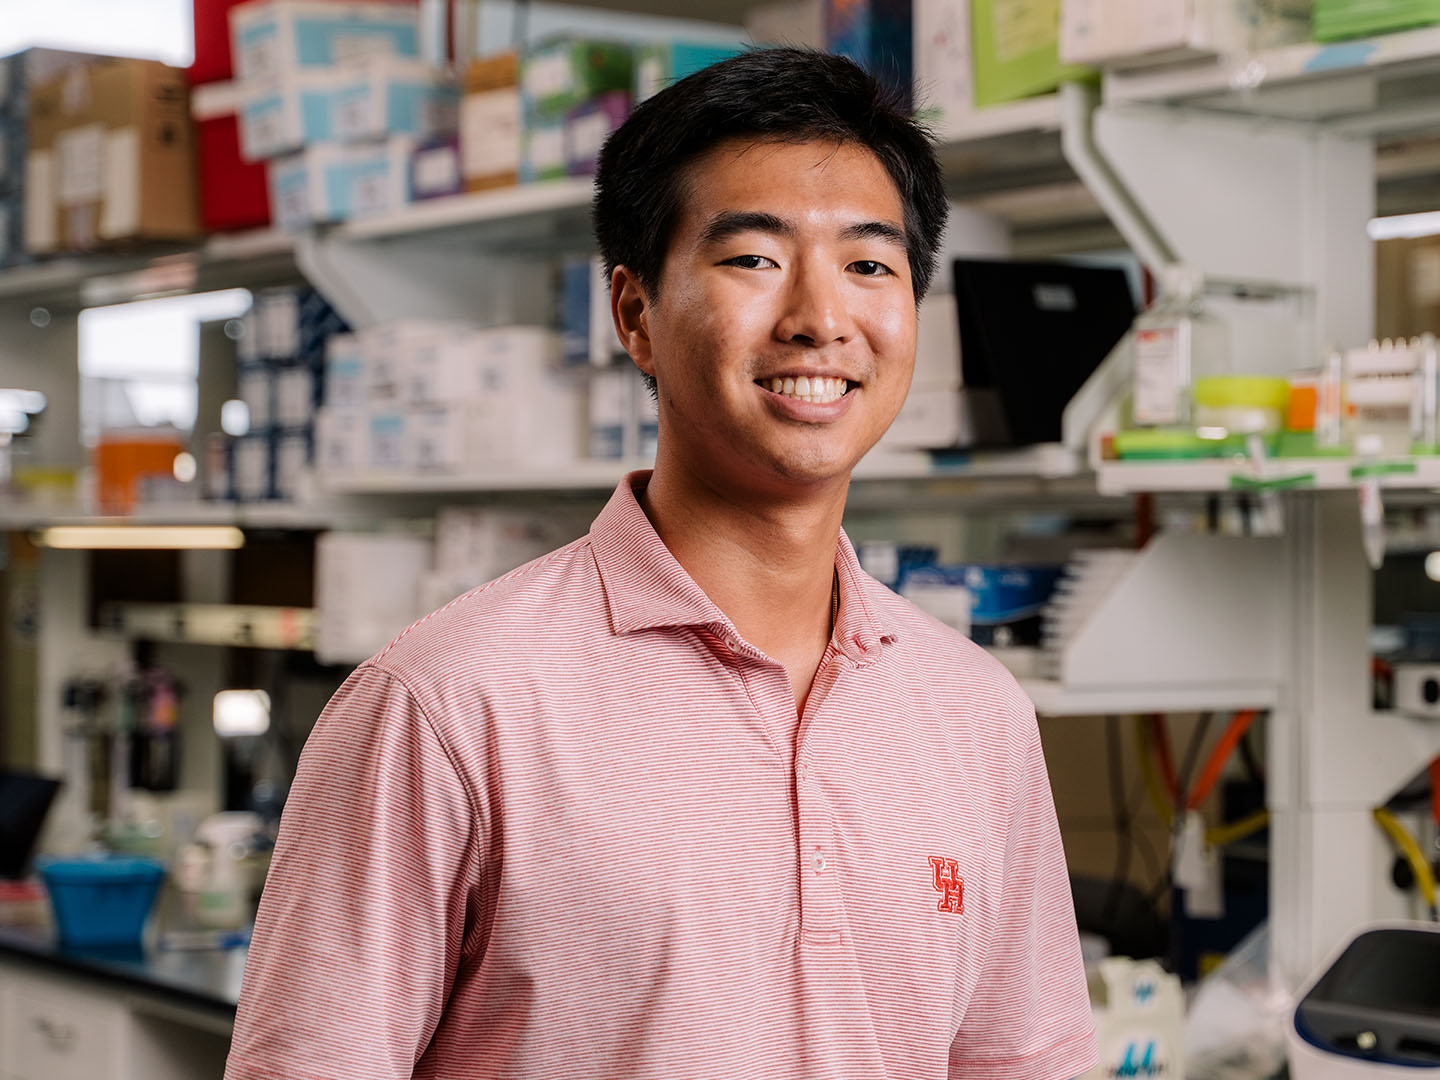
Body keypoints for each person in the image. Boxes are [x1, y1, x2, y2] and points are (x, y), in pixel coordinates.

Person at [225, 47, 1097, 1080]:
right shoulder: (449, 703)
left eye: (870, 264)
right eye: (753, 260)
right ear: (634, 314)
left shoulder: (977, 712)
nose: (821, 318)